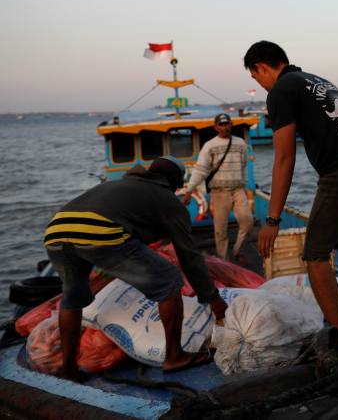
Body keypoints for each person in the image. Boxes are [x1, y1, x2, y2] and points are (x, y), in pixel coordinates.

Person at [244, 40, 338, 349]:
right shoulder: (316, 80)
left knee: (316, 256)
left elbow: (284, 158)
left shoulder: (281, 90)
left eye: (256, 78)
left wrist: (272, 218)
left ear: (262, 68)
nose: (260, 84)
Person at [44, 156, 227, 380]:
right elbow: (189, 256)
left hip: (56, 230)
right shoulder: (167, 199)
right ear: (173, 183)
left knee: (72, 297)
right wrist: (212, 298)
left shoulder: (117, 185)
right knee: (169, 279)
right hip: (98, 232)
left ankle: (68, 370)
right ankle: (174, 356)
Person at [182, 112, 251, 261]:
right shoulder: (210, 146)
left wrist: (245, 186)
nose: (224, 127)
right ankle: (224, 260)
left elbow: (244, 166)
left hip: (238, 190)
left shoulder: (241, 143)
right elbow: (201, 170)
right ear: (216, 127)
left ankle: (236, 251)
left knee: (247, 222)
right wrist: (189, 190)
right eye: (221, 124)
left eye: (227, 124)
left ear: (231, 124)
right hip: (219, 192)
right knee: (220, 230)